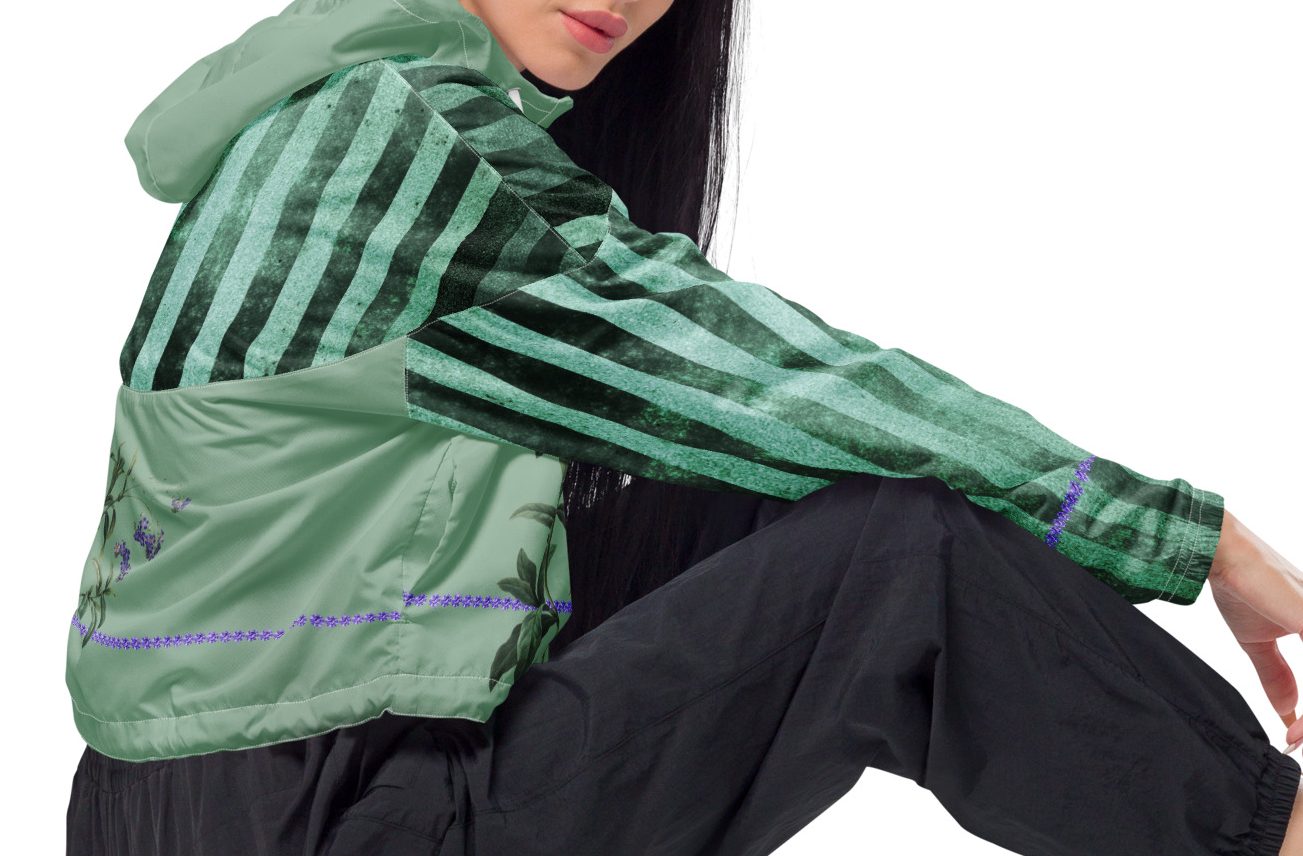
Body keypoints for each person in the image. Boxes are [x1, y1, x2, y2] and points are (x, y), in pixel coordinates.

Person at [64, 1, 1303, 853]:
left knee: (753, 504)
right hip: (325, 820)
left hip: (178, 804)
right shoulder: (408, 144)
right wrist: (1192, 538)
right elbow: (772, 380)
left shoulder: (317, 102)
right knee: (898, 559)